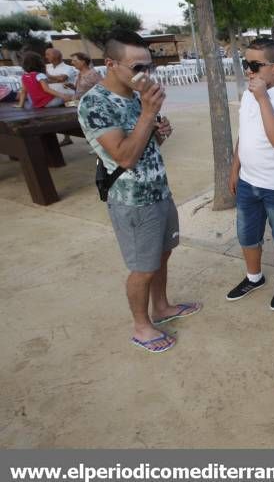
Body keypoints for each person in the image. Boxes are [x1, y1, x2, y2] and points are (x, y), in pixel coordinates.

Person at [77, 30, 201, 354]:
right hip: (132, 202)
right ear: (110, 64)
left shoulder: (135, 96)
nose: (145, 75)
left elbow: (143, 148)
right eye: (136, 68)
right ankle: (141, 326)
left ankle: (161, 308)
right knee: (142, 268)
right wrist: (148, 114)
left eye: (149, 67)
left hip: (159, 190)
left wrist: (158, 134)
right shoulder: (95, 103)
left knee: (162, 255)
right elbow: (124, 157)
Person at [226, 38, 274, 310]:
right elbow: (243, 135)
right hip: (248, 181)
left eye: (255, 65)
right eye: (246, 64)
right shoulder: (248, 94)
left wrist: (262, 98)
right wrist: (235, 169)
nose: (249, 71)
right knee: (247, 234)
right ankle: (253, 277)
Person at [60, 52, 102, 145]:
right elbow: (81, 89)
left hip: (90, 106)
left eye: (75, 60)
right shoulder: (79, 74)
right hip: (80, 104)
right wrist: (72, 87)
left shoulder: (93, 73)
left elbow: (102, 89)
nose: (72, 62)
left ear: (83, 62)